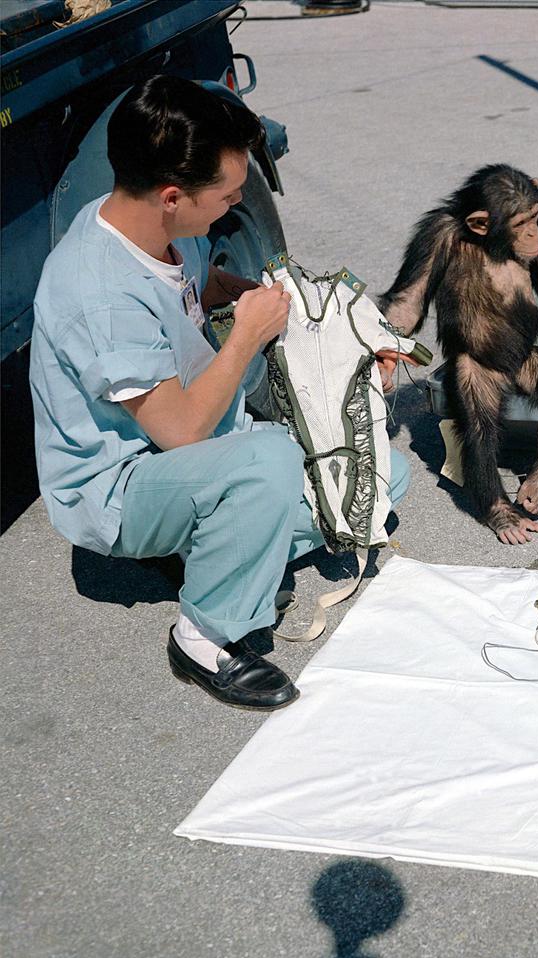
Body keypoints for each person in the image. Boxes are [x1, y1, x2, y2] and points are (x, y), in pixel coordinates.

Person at [29, 75, 413, 711]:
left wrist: (317, 330)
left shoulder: (156, 225)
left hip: (194, 453)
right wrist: (247, 337)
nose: (236, 203)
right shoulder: (98, 295)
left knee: (378, 477)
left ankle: (212, 544)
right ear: (173, 196)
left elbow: (196, 285)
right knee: (272, 462)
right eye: (227, 194)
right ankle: (204, 637)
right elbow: (180, 431)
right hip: (121, 485)